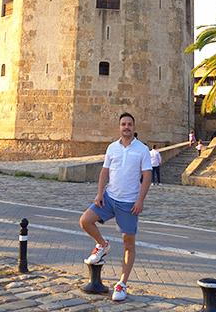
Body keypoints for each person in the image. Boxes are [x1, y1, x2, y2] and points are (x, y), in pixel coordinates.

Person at [79, 112, 152, 302]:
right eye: (123, 124)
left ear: (134, 129)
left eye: (129, 124)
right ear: (119, 128)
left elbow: (147, 177)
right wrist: (99, 193)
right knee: (85, 221)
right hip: (109, 198)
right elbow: (104, 172)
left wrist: (140, 200)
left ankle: (122, 283)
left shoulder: (142, 149)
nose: (126, 127)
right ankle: (103, 245)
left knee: (129, 244)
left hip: (129, 203)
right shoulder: (112, 148)